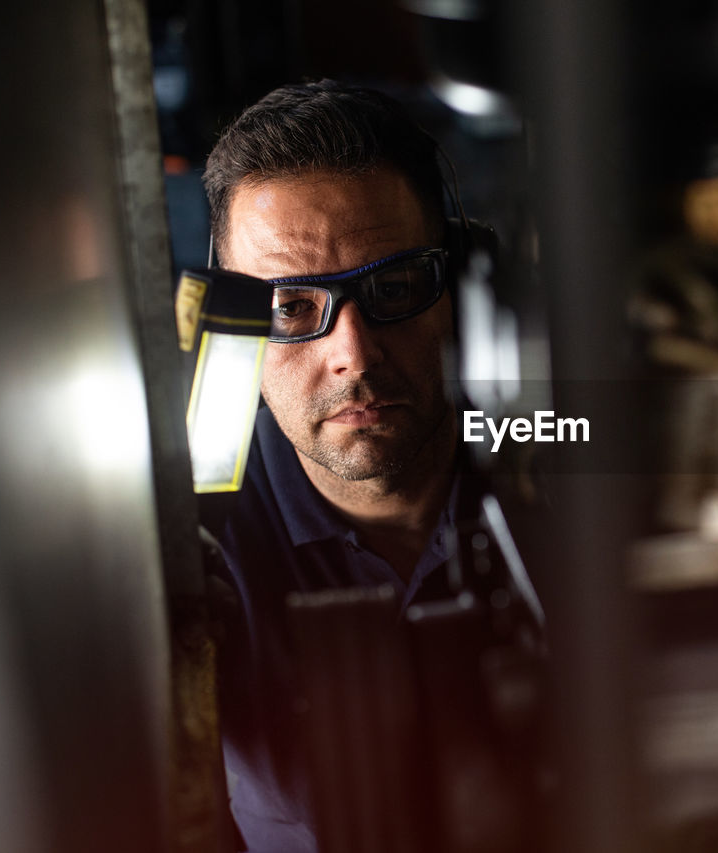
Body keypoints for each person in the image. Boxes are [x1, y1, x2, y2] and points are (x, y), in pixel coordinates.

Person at [201, 79, 467, 853]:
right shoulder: (192, 538)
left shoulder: (556, 449)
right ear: (231, 335)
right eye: (288, 307)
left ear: (460, 292)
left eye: (394, 287)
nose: (352, 353)